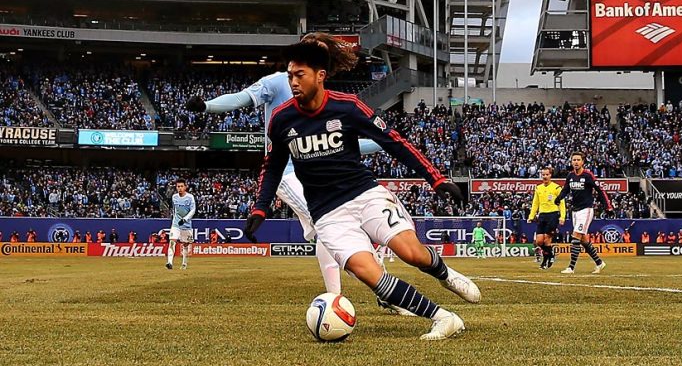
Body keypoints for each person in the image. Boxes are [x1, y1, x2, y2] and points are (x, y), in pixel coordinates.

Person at [245, 42, 477, 340]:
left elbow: (393, 142)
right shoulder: (281, 118)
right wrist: (260, 208)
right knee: (369, 273)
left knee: (412, 254)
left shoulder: (348, 107)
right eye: (290, 76)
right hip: (327, 214)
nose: (293, 82)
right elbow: (273, 166)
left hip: (365, 195)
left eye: (299, 75)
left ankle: (445, 275)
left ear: (320, 75)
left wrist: (436, 179)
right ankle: (443, 318)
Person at [186, 32, 393, 305]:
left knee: (330, 230)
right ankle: (363, 292)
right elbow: (241, 98)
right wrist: (206, 106)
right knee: (328, 224)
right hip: (287, 173)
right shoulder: (276, 82)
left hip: (315, 176)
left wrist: (383, 141)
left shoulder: (322, 95)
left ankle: (362, 291)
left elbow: (348, 145)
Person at [554, 151, 612, 274]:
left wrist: (608, 207)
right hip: (575, 211)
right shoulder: (570, 176)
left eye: (578, 160)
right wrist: (559, 198)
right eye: (574, 160)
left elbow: (600, 190)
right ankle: (599, 263)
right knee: (583, 240)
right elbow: (565, 190)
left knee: (575, 236)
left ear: (583, 162)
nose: (576, 162)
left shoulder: (588, 175)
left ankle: (571, 267)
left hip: (586, 210)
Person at [526, 166, 565, 270]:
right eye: (543, 174)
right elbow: (535, 203)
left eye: (547, 174)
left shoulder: (556, 188)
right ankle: (551, 254)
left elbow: (562, 203)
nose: (545, 176)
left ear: (550, 175)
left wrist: (562, 217)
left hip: (553, 215)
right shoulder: (538, 188)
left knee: (547, 239)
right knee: (539, 241)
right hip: (542, 215)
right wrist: (531, 216)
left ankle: (544, 262)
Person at [167, 180, 196, 270]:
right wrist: (174, 218)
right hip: (176, 223)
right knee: (172, 241)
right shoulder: (174, 197)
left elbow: (193, 210)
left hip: (186, 224)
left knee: (185, 244)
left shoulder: (190, 197)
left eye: (181, 186)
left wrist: (185, 219)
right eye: (178, 186)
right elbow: (175, 209)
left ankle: (184, 263)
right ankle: (169, 262)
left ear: (185, 187)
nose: (180, 188)